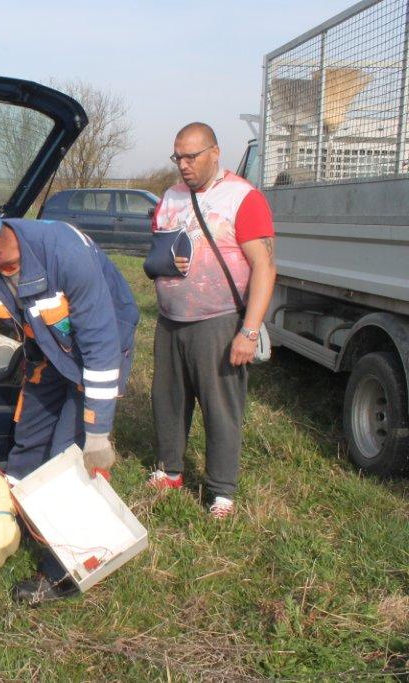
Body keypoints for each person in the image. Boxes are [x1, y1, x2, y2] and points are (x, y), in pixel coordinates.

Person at [0, 201, 139, 604]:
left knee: (66, 463)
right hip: (48, 350)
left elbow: (101, 346)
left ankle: (63, 573)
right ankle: (15, 532)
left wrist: (97, 434)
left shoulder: (64, 254)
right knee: (27, 445)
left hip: (100, 349)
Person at [147, 122, 276, 519]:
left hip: (218, 321)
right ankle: (170, 470)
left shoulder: (243, 197)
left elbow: (265, 267)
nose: (183, 165)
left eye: (191, 156)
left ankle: (221, 491)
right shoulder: (170, 197)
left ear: (215, 153)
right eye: (178, 157)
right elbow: (154, 252)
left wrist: (248, 331)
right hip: (170, 319)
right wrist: (162, 263)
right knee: (167, 402)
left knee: (220, 408)